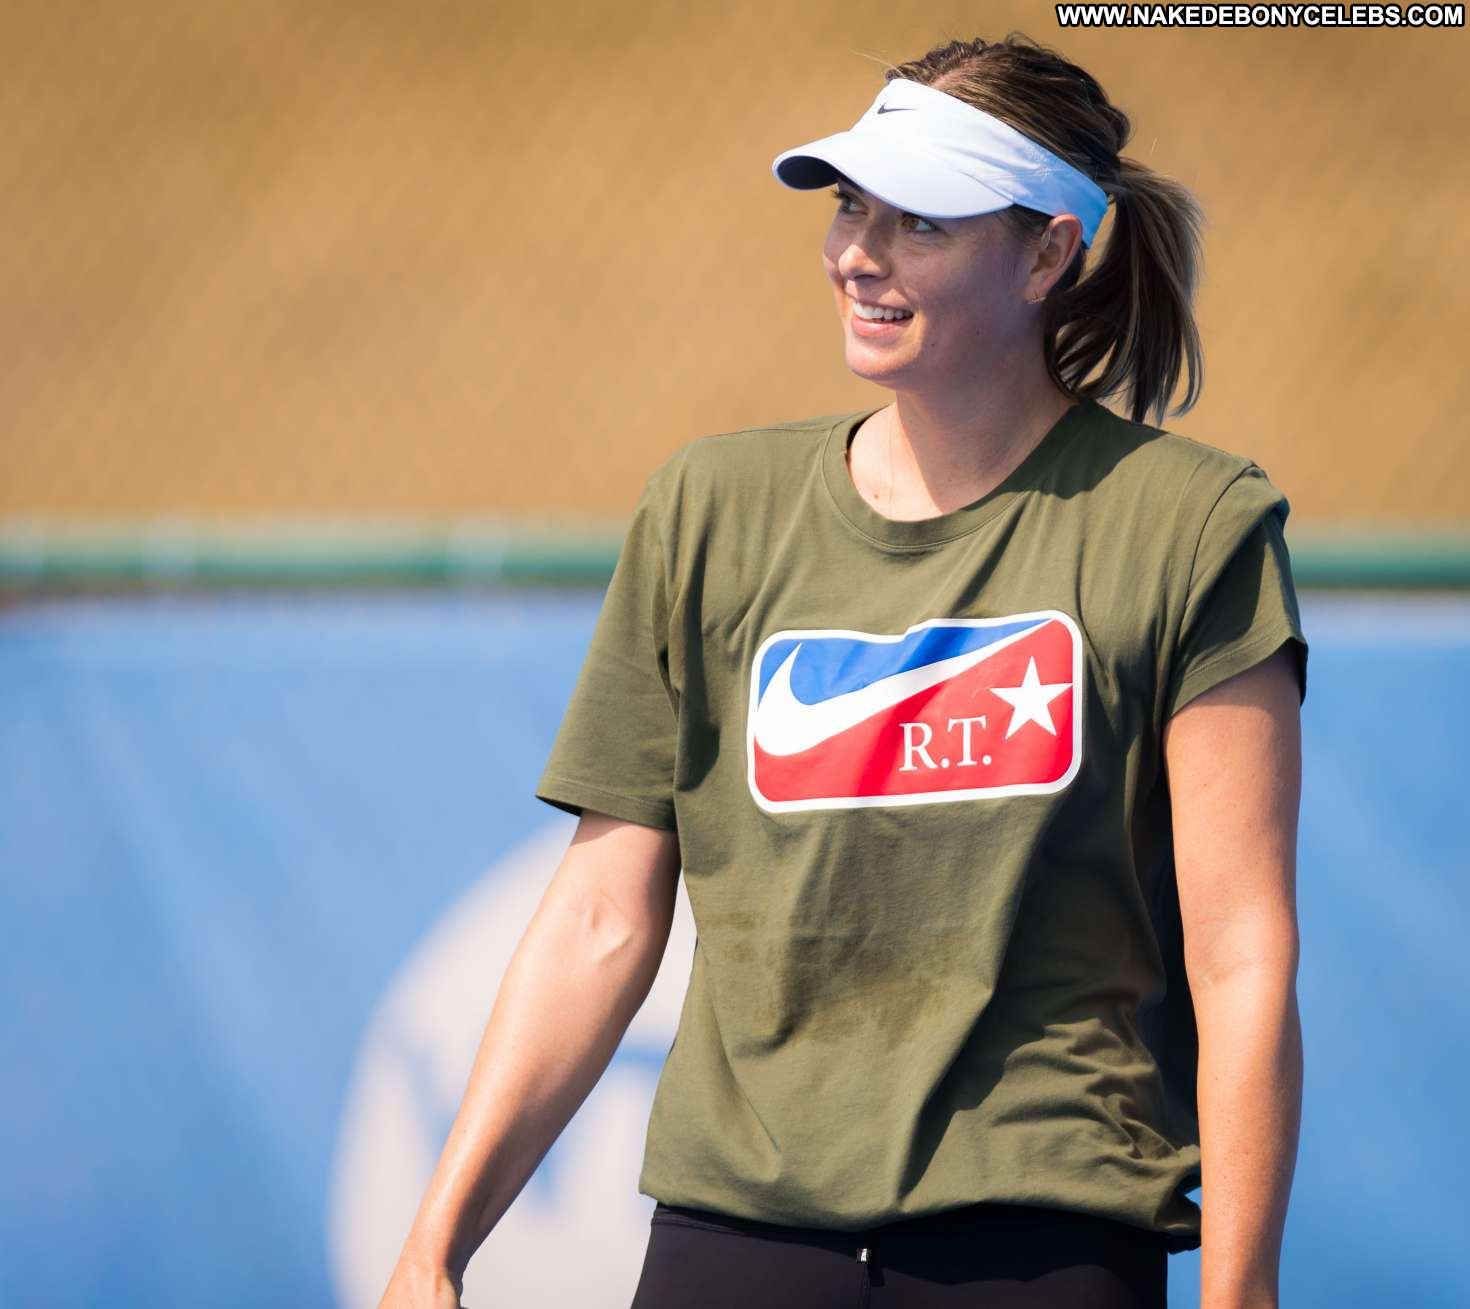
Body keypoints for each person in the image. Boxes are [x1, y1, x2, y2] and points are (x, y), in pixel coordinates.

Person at [378, 31, 1307, 1309]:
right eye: (852, 206)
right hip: (737, 1233)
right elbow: (600, 916)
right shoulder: (710, 509)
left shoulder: (1192, 525)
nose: (860, 253)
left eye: (920, 220)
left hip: (1045, 1240)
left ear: (1048, 255)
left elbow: (1241, 953)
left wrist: (1241, 1294)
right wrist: (434, 1245)